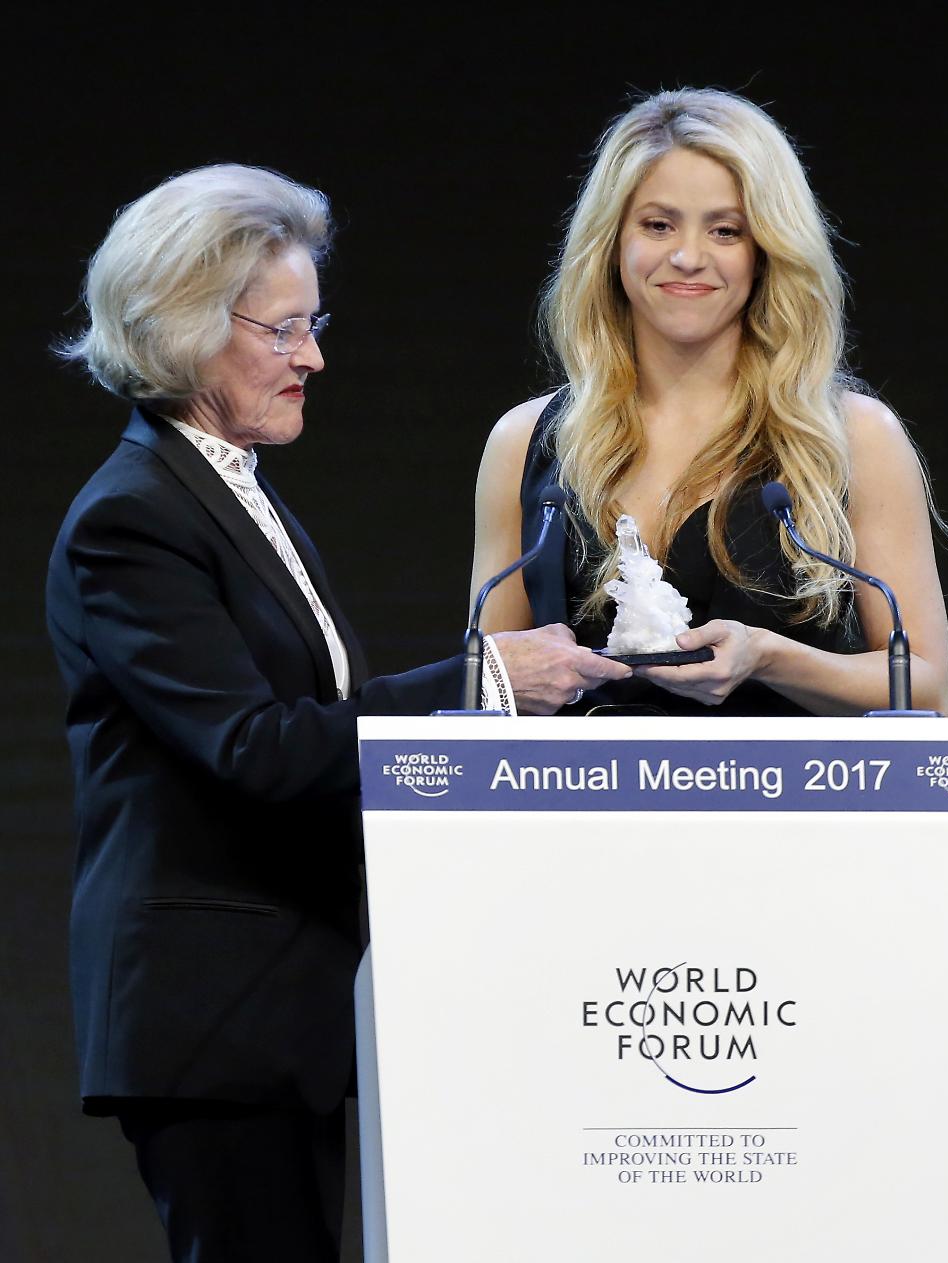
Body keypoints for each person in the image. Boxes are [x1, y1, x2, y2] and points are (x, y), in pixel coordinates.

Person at [45, 163, 629, 1263]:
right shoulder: (131, 521)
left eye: (314, 325)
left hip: (280, 1011)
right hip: (210, 1020)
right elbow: (255, 748)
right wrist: (486, 682)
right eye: (284, 330)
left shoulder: (229, 491)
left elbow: (326, 725)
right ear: (183, 326)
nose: (312, 356)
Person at [471, 88, 948, 717]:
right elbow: (484, 684)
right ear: (612, 242)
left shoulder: (855, 436)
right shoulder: (526, 441)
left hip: (783, 783)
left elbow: (928, 690)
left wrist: (770, 658)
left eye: (725, 230)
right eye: (658, 225)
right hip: (582, 781)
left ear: (766, 252)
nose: (688, 257)